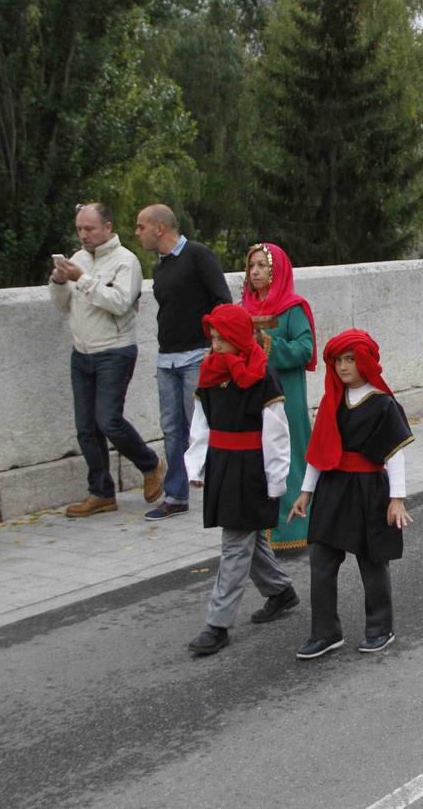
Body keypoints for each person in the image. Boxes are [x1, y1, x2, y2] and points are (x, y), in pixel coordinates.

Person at [290, 329, 414, 658]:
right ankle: (325, 632)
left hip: (370, 490)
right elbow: (319, 451)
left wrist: (396, 498)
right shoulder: (332, 401)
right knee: (321, 559)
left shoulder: (383, 403)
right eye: (338, 360)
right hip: (333, 488)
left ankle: (379, 627)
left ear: (365, 361)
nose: (343, 367)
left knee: (372, 562)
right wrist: (305, 492)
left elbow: (394, 454)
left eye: (350, 359)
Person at [182, 304, 296, 656]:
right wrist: (197, 466)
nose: (215, 345)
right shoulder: (209, 373)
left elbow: (277, 434)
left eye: (222, 338)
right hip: (222, 463)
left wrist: (276, 480)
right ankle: (280, 592)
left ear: (238, 338)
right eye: (213, 338)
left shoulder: (262, 377)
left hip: (251, 469)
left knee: (235, 543)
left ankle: (217, 624)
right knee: (246, 535)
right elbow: (201, 424)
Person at [50, 203, 164, 518]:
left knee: (108, 420)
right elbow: (63, 306)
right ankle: (101, 492)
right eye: (79, 229)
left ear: (108, 228)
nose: (83, 235)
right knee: (86, 427)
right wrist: (60, 281)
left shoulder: (126, 261)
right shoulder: (77, 259)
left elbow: (120, 303)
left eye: (89, 229)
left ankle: (151, 464)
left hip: (115, 349)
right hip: (82, 352)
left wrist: (83, 279)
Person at [135, 204, 232, 520]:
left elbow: (222, 300)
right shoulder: (160, 266)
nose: (137, 233)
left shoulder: (197, 255)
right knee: (171, 428)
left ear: (160, 228)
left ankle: (222, 487)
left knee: (203, 424)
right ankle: (176, 495)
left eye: (141, 227)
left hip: (196, 356)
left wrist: (215, 347)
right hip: (167, 359)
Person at [240, 243, 316, 549]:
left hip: (285, 394)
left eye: (262, 265)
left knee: (289, 454)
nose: (255, 271)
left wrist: (269, 345)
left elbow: (305, 349)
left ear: (277, 271)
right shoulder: (244, 308)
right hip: (252, 394)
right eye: (251, 266)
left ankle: (294, 527)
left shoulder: (292, 308)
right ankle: (260, 524)